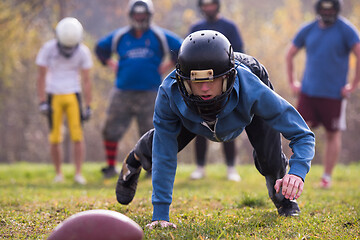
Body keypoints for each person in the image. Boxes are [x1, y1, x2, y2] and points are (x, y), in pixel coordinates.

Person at [115, 30, 315, 228]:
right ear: (183, 79)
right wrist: (160, 214)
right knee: (162, 144)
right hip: (191, 116)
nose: (204, 89)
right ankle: (135, 159)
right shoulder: (170, 92)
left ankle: (284, 198)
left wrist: (297, 171)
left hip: (246, 102)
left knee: (270, 159)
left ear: (228, 77)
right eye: (197, 81)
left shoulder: (252, 87)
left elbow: (302, 134)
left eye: (211, 80)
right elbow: (164, 154)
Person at [95, 0, 183, 178]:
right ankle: (110, 167)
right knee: (110, 128)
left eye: (143, 14)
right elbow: (100, 48)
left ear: (149, 16)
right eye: (137, 14)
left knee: (151, 131)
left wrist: (168, 65)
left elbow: (182, 47)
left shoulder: (158, 35)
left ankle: (151, 169)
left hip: (150, 92)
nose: (140, 18)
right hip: (122, 91)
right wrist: (110, 63)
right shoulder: (120, 36)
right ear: (131, 15)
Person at [285, 0, 360, 189]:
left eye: (331, 9)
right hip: (308, 93)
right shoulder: (308, 29)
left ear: (337, 9)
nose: (328, 12)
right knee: (297, 131)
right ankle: (290, 173)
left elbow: (359, 53)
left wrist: (353, 85)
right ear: (319, 9)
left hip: (334, 94)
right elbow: (290, 54)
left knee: (332, 134)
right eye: (325, 9)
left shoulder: (346, 30)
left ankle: (326, 178)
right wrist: (293, 81)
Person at [188, 0, 245, 182]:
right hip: (200, 82)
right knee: (200, 124)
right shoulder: (196, 27)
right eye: (205, 5)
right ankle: (200, 167)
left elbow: (239, 54)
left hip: (223, 82)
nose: (208, 8)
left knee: (227, 122)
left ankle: (230, 167)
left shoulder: (229, 27)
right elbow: (187, 53)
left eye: (211, 4)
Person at [36, 17, 93, 185]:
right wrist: (42, 101)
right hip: (53, 95)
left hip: (73, 95)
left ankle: (78, 173)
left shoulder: (83, 51)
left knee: (77, 135)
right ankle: (58, 174)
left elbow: (87, 79)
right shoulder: (48, 49)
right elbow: (40, 76)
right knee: (55, 137)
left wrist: (88, 105)